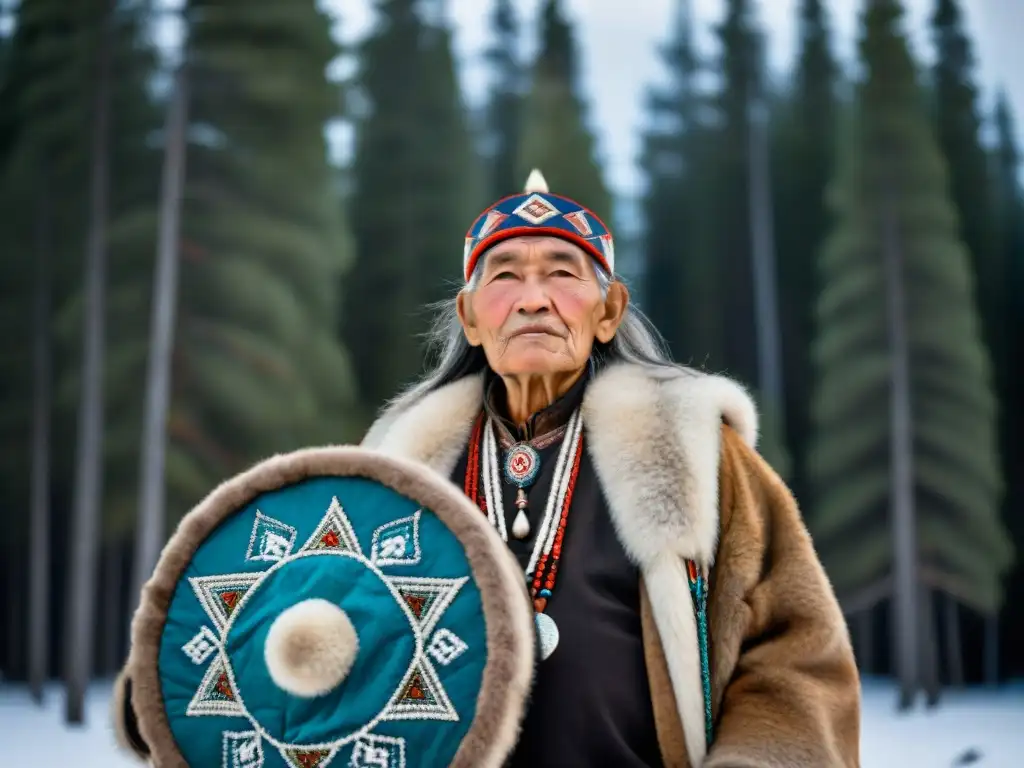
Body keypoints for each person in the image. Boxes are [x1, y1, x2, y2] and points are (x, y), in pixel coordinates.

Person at [361, 170, 861, 767]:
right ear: (470, 317)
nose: (532, 299)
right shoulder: (400, 471)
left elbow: (797, 653)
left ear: (609, 311)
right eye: (505, 276)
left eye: (562, 273)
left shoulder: (696, 455)